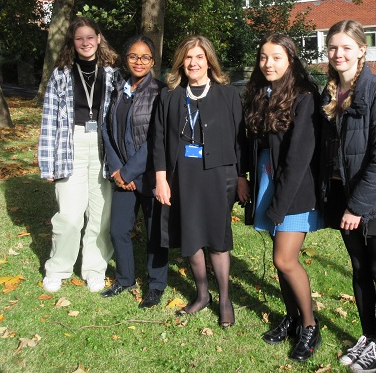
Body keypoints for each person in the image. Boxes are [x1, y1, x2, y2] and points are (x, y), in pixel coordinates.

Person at [319, 20, 376, 373]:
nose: (338, 54)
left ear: (361, 50)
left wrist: (357, 206)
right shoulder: (330, 93)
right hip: (345, 194)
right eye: (332, 47)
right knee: (359, 268)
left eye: (346, 47)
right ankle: (368, 336)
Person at [153, 35, 249, 328]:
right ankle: (202, 294)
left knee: (218, 239)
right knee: (191, 236)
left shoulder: (228, 95)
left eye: (199, 57)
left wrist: (242, 176)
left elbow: (240, 140)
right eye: (188, 57)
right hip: (182, 176)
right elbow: (159, 140)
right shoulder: (169, 96)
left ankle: (225, 299)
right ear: (181, 61)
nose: (193, 63)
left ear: (209, 61)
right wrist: (161, 178)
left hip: (219, 175)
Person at [243, 33, 323, 362]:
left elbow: (299, 157)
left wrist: (280, 204)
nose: (268, 63)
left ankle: (310, 325)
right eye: (263, 57)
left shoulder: (304, 97)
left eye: (276, 57)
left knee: (284, 259)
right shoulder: (260, 93)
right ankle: (292, 318)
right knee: (280, 257)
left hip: (294, 187)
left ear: (290, 60)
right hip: (267, 180)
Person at [38, 16, 119, 293]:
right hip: (70, 143)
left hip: (103, 146)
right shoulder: (61, 74)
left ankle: (95, 268)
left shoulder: (112, 73)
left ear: (99, 38)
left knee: (101, 215)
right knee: (70, 215)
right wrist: (47, 163)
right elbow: (49, 118)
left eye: (90, 37)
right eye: (79, 38)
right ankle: (58, 268)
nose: (86, 43)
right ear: (72, 42)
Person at [100, 35, 168, 308]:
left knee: (155, 234)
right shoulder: (117, 89)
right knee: (118, 229)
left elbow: (157, 139)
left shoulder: (161, 92)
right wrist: (117, 168)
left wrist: (129, 171)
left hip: (150, 175)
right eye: (133, 56)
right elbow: (106, 128)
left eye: (145, 57)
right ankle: (125, 278)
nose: (139, 62)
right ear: (125, 58)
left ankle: (156, 285)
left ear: (153, 61)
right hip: (122, 175)